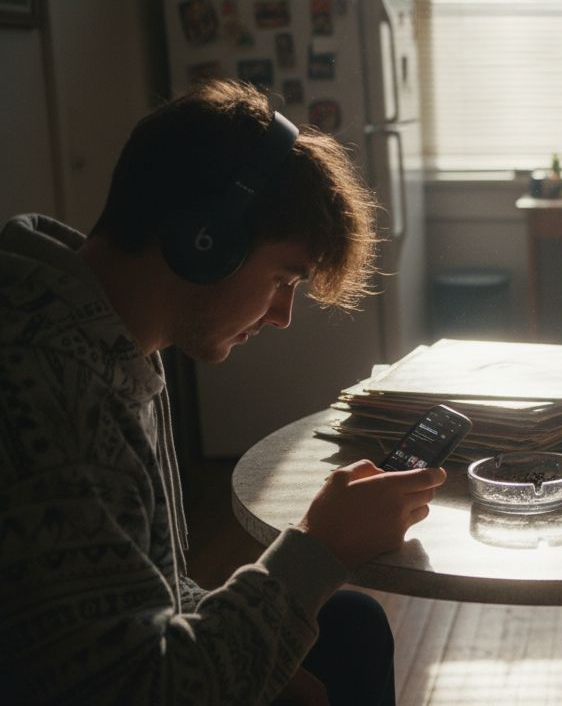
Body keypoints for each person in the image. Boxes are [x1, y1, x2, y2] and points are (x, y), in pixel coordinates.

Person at [0, 80, 448, 704]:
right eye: (284, 279)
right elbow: (137, 688)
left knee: (350, 627)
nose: (282, 316)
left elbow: (145, 593)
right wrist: (318, 547)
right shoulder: (59, 389)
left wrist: (266, 659)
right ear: (204, 241)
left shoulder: (99, 334)